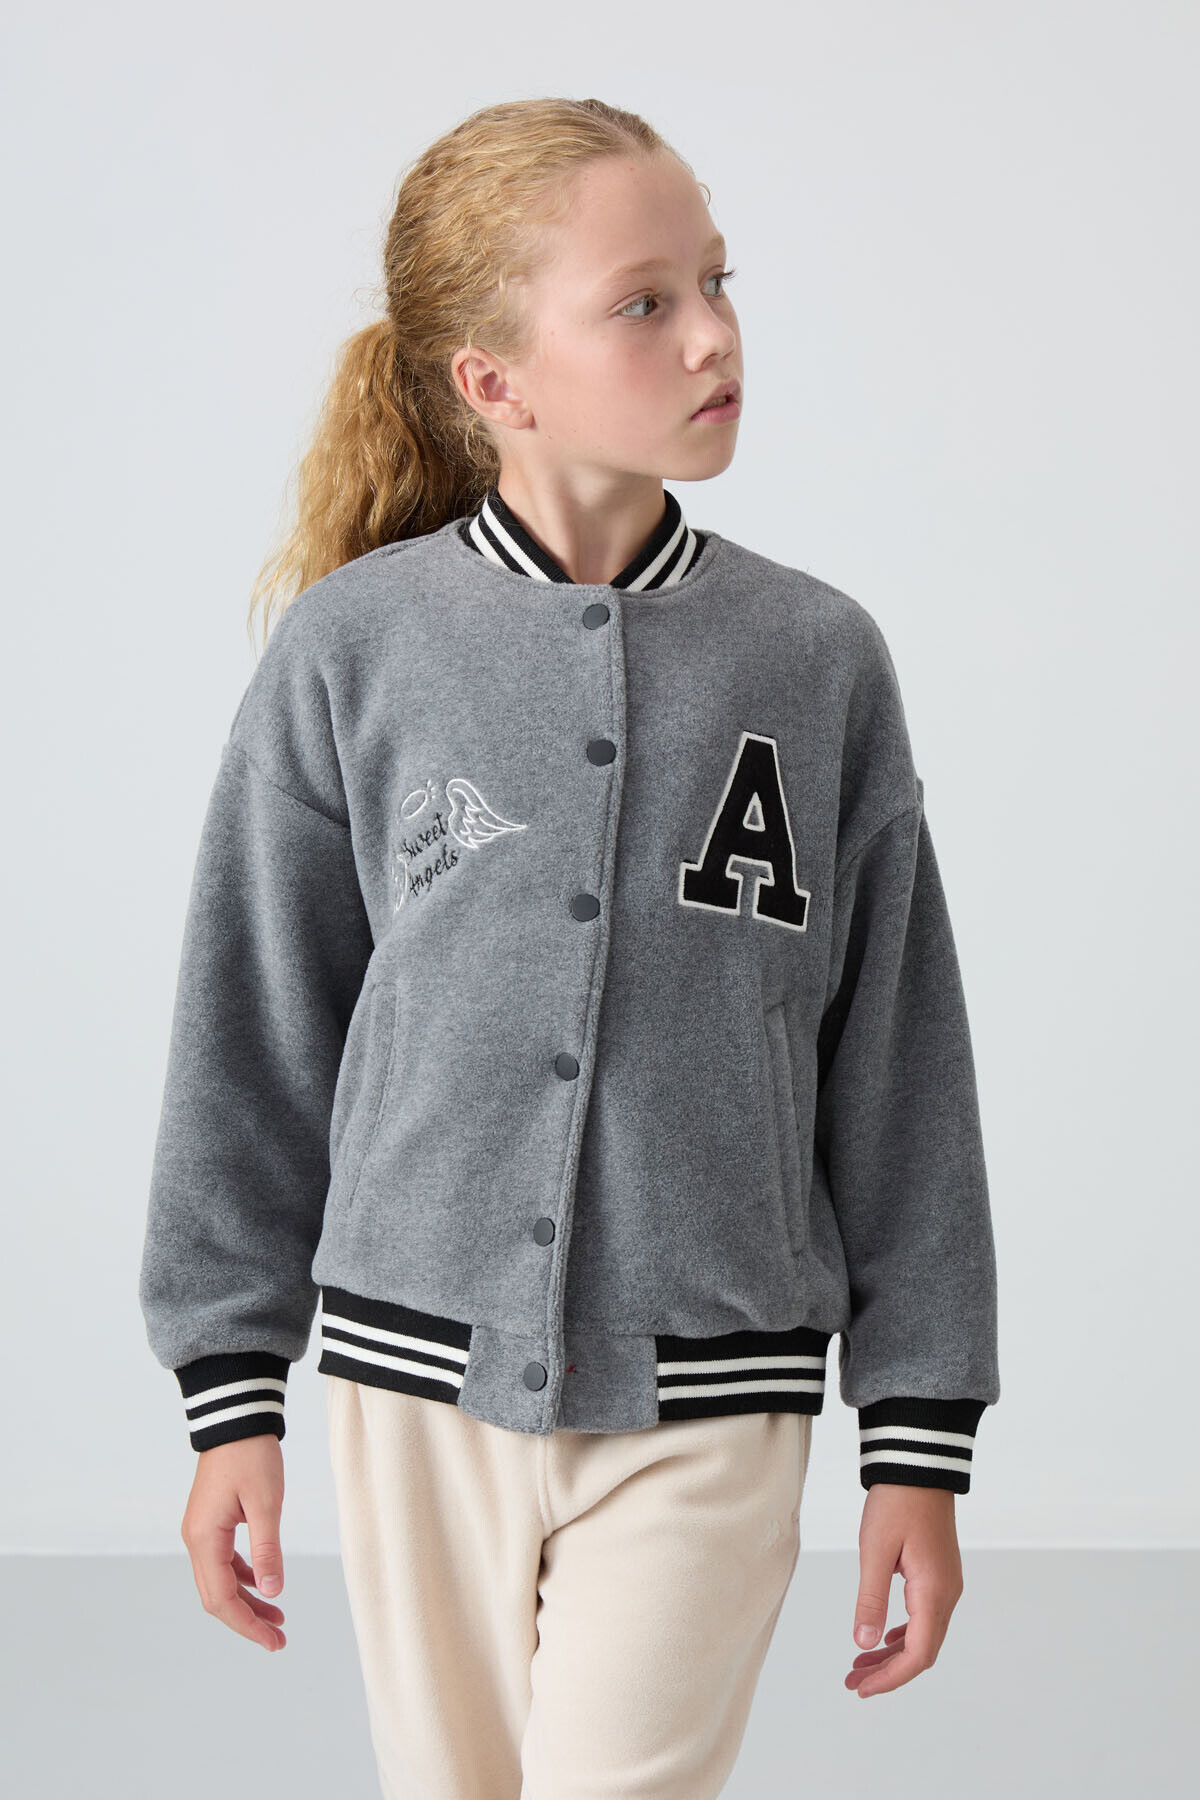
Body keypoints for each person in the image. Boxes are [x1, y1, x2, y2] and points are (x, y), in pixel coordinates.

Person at [139, 95, 1000, 1799]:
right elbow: (254, 1026)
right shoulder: (355, 649)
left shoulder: (817, 658)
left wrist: (920, 1433)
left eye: (718, 282)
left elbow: (899, 1059)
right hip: (414, 1385)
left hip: (717, 1380)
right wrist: (230, 1390)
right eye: (644, 302)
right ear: (493, 381)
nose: (714, 334)